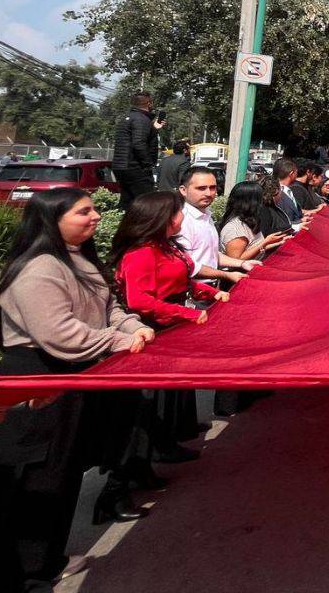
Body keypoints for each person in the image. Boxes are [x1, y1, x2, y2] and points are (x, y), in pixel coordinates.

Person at [0, 188, 153, 591]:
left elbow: (110, 309)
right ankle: (10, 575)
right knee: (26, 482)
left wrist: (133, 327)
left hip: (72, 378)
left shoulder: (80, 261)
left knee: (61, 474)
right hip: (35, 379)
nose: (95, 217)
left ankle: (42, 564)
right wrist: (120, 341)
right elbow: (61, 335)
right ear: (51, 220)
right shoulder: (39, 269)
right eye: (84, 211)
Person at [109, 191, 227, 463]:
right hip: (153, 329)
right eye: (177, 212)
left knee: (172, 389)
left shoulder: (165, 246)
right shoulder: (141, 252)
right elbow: (139, 300)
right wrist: (185, 313)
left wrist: (211, 294)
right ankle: (148, 455)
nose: (182, 216)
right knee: (154, 397)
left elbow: (180, 281)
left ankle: (168, 439)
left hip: (172, 324)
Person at [111, 92, 163, 209]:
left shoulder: (127, 118)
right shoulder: (141, 119)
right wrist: (148, 164)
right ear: (149, 103)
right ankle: (145, 227)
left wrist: (154, 129)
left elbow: (135, 138)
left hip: (121, 166)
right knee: (147, 204)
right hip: (135, 167)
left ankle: (126, 225)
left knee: (127, 203)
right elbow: (138, 143)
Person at [218, 181, 290, 263]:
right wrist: (265, 242)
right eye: (260, 199)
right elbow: (236, 260)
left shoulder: (249, 221)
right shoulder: (235, 229)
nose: (262, 202)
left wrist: (277, 241)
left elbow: (253, 248)